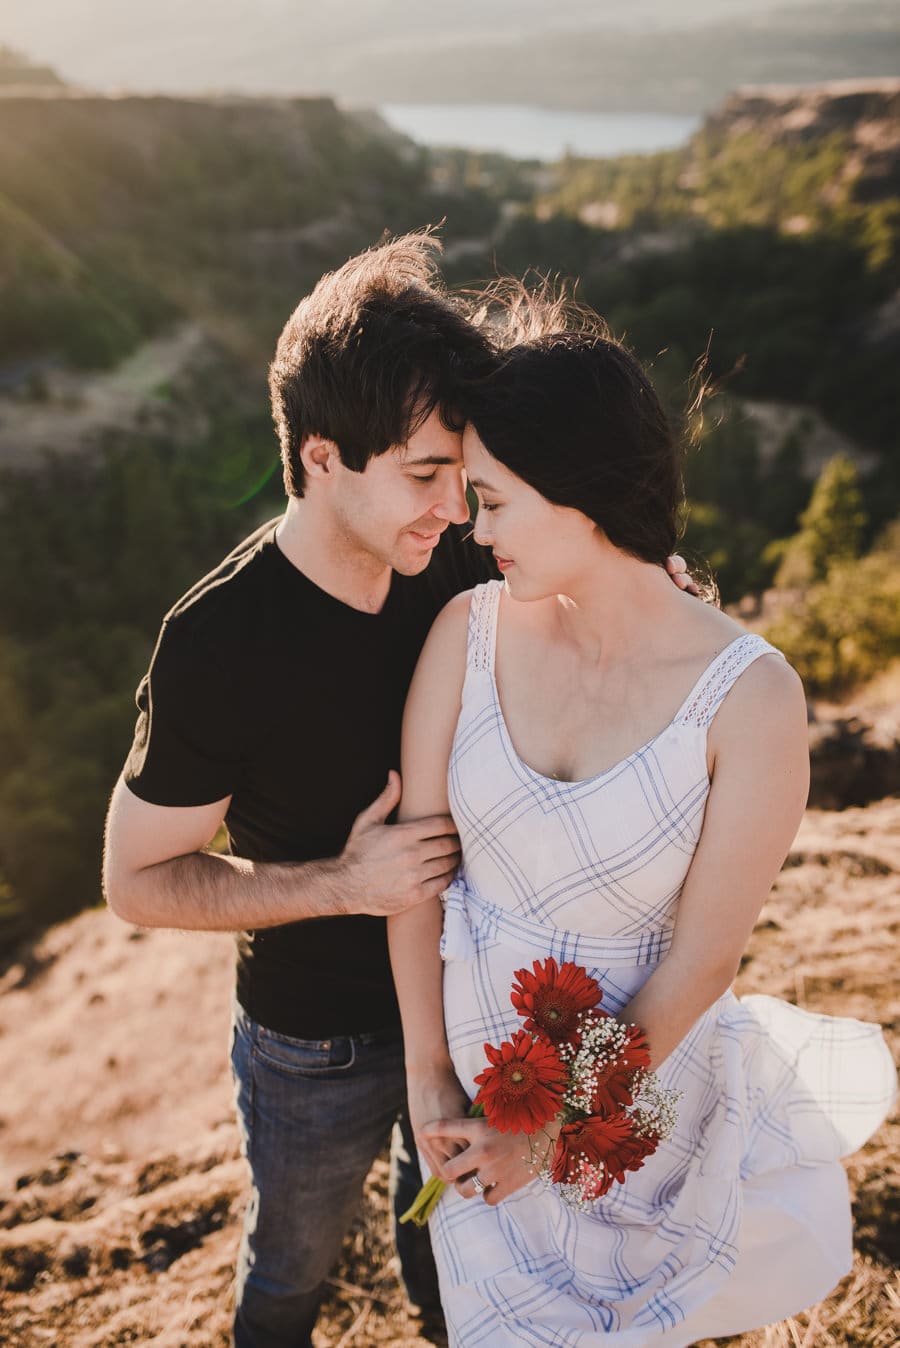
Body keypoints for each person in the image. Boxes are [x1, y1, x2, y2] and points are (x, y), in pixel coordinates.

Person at [101, 231, 702, 1347]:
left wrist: (641, 587)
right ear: (323, 456)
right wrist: (342, 880)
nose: (454, 509)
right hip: (313, 1039)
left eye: (466, 481)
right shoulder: (217, 641)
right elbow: (135, 883)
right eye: (427, 475)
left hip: (484, 1008)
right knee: (293, 1266)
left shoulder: (470, 555)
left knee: (451, 1263)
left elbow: (595, 606)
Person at [388, 299, 897, 1346]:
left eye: (494, 501)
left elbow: (703, 964)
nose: (475, 531)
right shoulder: (464, 635)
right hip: (468, 1088)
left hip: (634, 1097)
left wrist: (548, 1125)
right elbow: (416, 872)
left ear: (579, 495)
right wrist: (429, 1070)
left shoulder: (751, 699)